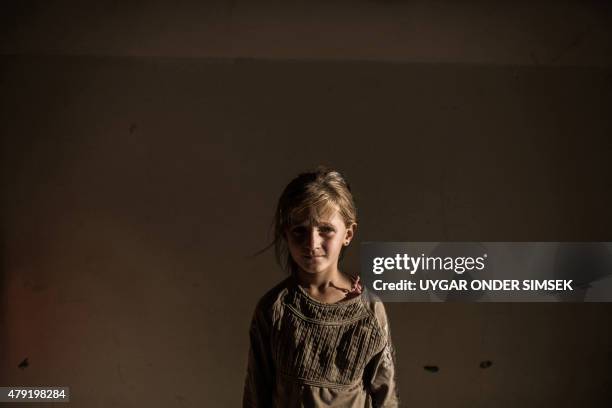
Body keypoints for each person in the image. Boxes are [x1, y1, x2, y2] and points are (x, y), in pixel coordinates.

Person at [243, 167, 399, 407]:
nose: (312, 243)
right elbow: (256, 396)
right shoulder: (274, 309)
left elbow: (385, 397)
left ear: (348, 233)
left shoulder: (369, 310)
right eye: (300, 231)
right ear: (286, 234)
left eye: (325, 229)